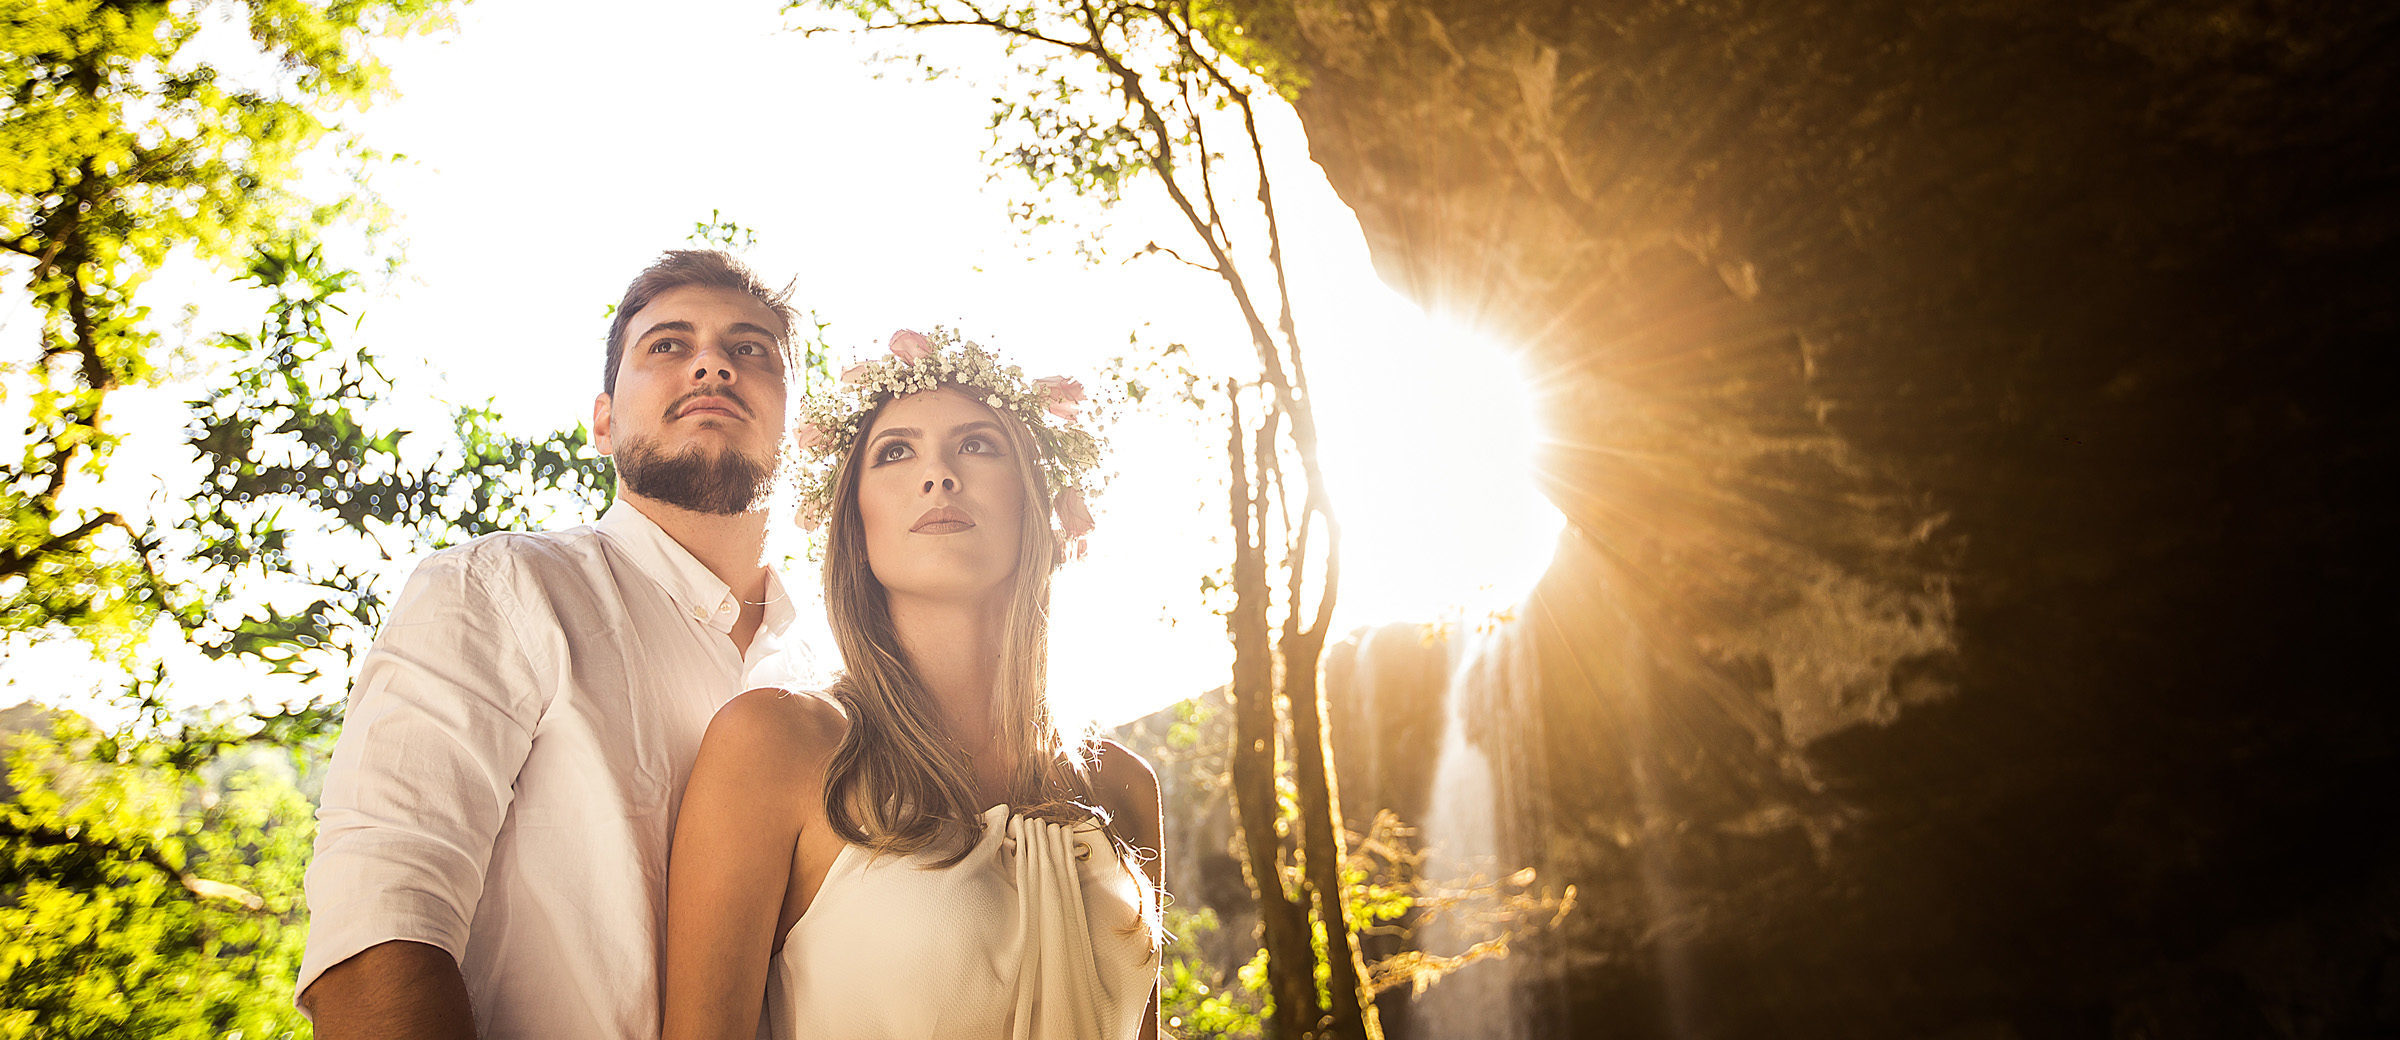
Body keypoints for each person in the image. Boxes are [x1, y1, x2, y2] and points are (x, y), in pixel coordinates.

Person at [296, 250, 811, 1039]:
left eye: (750, 349)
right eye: (668, 345)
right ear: (604, 422)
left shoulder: (840, 677)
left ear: (799, 429)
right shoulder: (498, 590)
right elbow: (380, 922)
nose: (711, 363)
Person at [663, 328, 1163, 1040]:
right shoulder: (775, 746)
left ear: (1037, 503)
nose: (939, 475)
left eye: (978, 444)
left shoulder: (1122, 785)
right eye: (896, 451)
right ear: (855, 524)